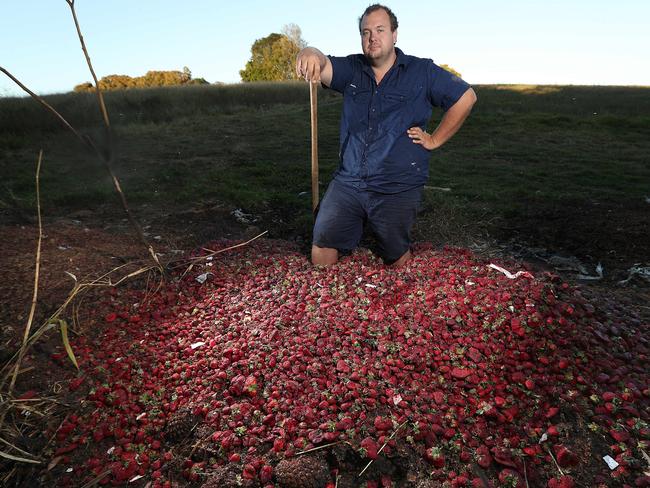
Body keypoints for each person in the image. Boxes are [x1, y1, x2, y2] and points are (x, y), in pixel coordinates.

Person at [296, 4, 476, 266]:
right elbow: (322, 64)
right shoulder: (352, 68)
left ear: (395, 34)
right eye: (366, 32)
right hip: (349, 181)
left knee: (395, 257)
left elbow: (466, 97)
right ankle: (332, 300)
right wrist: (309, 52)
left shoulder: (421, 71)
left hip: (397, 184)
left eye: (380, 30)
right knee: (322, 247)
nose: (372, 38)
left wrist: (435, 139)